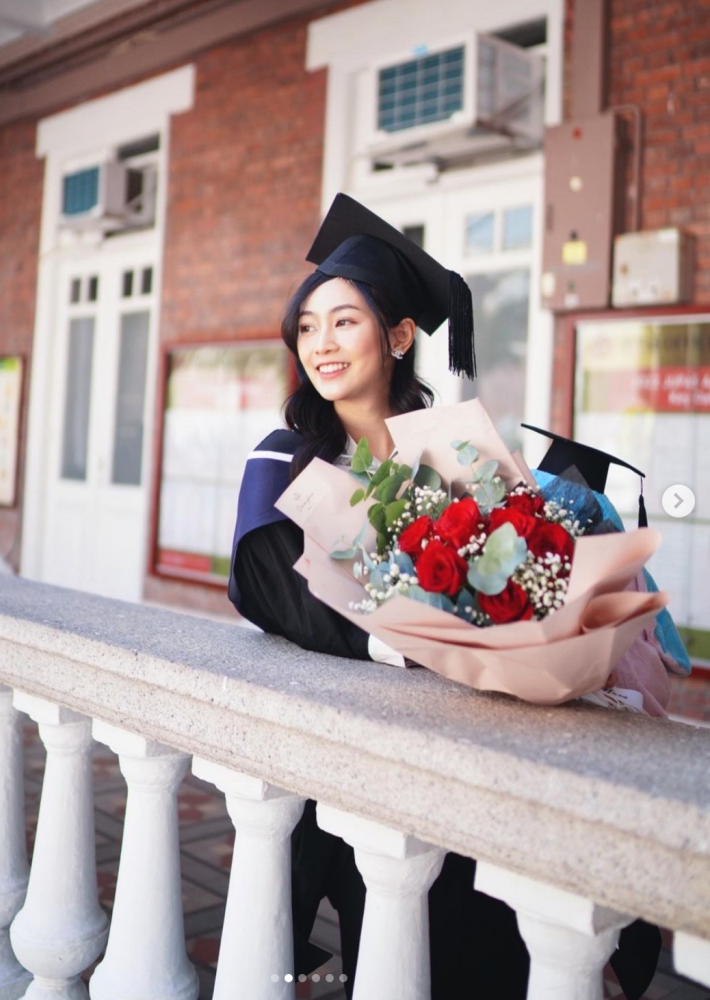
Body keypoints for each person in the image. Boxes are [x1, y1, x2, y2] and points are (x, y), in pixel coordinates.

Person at [228, 193, 662, 1000]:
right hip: (361, 752)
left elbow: (517, 577)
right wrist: (401, 642)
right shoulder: (286, 456)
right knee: (388, 942)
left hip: (475, 747)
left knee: (482, 937)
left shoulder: (454, 449)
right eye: (308, 326)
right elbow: (266, 588)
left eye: (345, 322)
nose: (321, 343)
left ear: (399, 337)